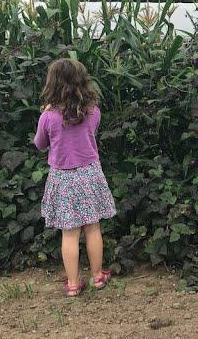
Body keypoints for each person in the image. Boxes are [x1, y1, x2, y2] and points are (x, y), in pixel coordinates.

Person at [34, 58, 116, 296]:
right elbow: (90, 134)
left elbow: (40, 145)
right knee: (93, 228)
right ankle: (98, 276)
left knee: (69, 233)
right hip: (90, 173)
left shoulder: (48, 117)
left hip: (63, 177)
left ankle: (72, 284)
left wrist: (47, 115)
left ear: (53, 84)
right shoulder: (93, 112)